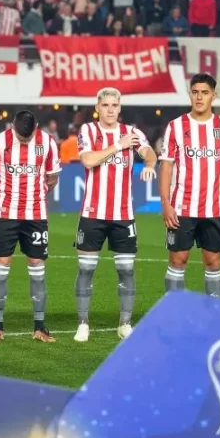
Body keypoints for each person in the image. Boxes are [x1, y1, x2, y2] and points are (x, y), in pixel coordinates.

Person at [72, 87, 158, 342]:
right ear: (97, 108)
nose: (110, 110)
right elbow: (88, 160)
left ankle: (125, 324)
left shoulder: (132, 133)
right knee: (86, 270)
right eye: (105, 105)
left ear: (120, 108)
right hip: (92, 212)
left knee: (126, 270)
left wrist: (149, 163)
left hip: (123, 214)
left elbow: (148, 152)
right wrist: (118, 146)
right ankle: (83, 324)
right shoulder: (88, 131)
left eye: (114, 105)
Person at [160, 73, 220, 297]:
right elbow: (166, 167)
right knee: (178, 260)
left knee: (213, 261)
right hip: (182, 207)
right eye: (195, 92)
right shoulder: (175, 127)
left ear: (213, 96)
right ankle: (174, 311)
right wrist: (166, 203)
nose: (199, 97)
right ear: (190, 94)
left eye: (205, 93)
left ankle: (213, 312)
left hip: (213, 208)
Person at [0, 110, 61, 343]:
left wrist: (38, 196)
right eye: (20, 136)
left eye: (28, 137)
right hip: (6, 215)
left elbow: (52, 178)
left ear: (36, 127)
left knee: (37, 267)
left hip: (36, 216)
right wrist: (3, 197)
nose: (24, 141)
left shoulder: (48, 142)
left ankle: (40, 327)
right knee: (1, 268)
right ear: (12, 127)